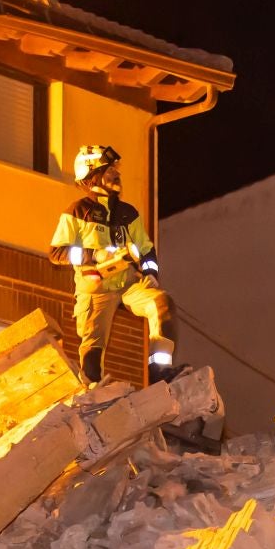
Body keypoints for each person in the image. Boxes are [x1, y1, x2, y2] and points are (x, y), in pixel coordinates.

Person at [48, 144, 172, 385]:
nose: (117, 175)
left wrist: (150, 272)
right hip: (95, 290)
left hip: (129, 283)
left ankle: (160, 374)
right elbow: (56, 252)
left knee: (161, 304)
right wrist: (94, 256)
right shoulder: (77, 211)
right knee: (93, 348)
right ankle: (92, 394)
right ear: (92, 175)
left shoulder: (128, 213)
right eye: (109, 171)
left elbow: (146, 249)